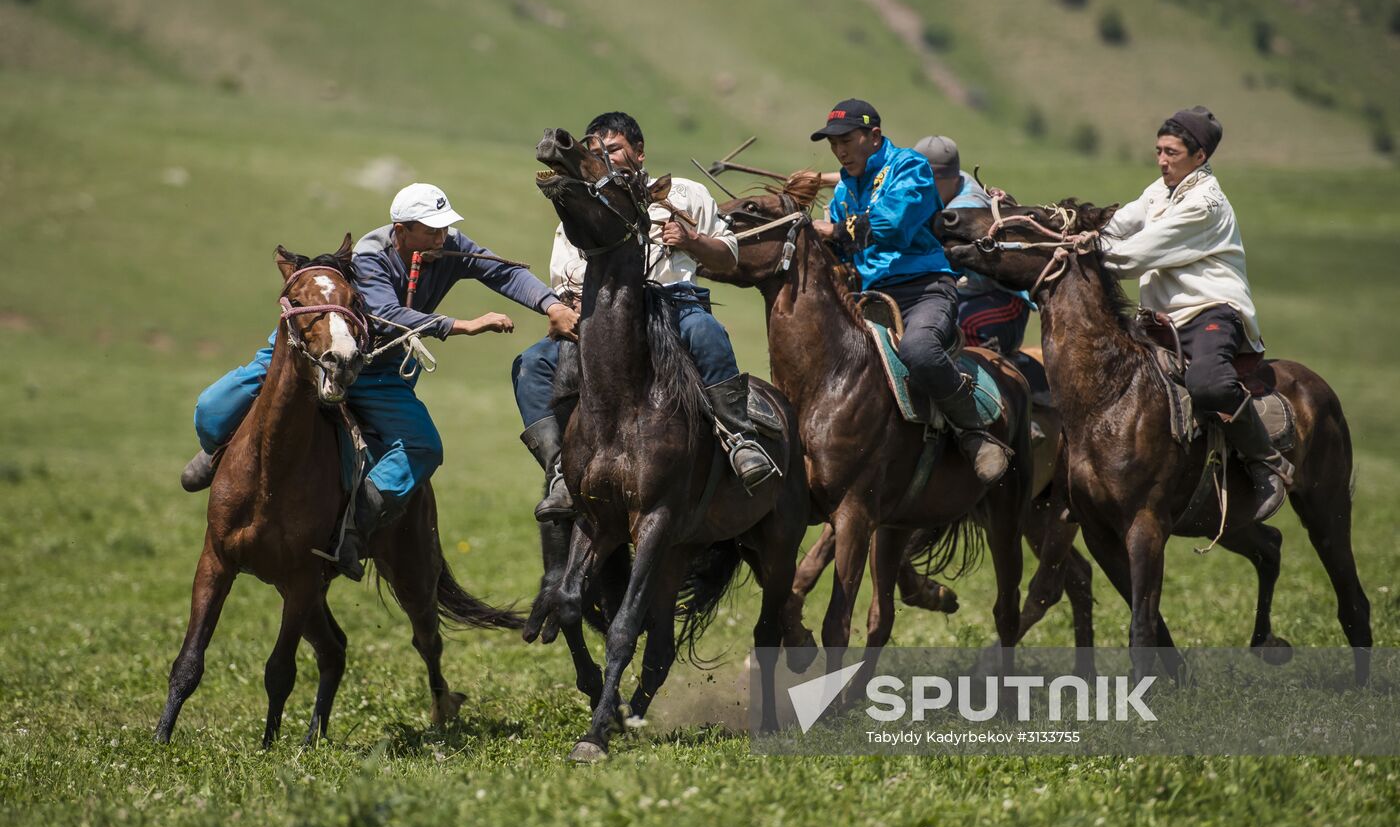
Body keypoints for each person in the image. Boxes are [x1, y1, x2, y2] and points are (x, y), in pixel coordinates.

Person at [181, 182, 578, 579]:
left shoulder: (448, 245)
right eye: (430, 229)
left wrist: (552, 305)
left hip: (377, 370)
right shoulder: (371, 255)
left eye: (443, 227)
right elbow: (386, 312)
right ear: (401, 230)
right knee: (213, 406)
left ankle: (356, 525)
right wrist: (461, 325)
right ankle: (215, 449)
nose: (441, 236)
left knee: (424, 446)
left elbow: (503, 272)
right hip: (309, 352)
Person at [511, 110, 777, 519]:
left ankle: (738, 438)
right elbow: (562, 278)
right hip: (602, 316)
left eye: (614, 148)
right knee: (531, 365)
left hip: (673, 305)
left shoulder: (686, 194)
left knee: (706, 331)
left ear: (639, 152)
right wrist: (564, 309)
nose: (606, 156)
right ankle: (560, 473)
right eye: (596, 149)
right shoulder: (582, 207)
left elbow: (727, 258)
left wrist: (693, 240)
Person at [1100, 106, 1292, 521]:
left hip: (1210, 311)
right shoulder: (1160, 191)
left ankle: (1268, 463)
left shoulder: (1205, 204)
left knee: (1207, 383)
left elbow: (1131, 256)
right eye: (1158, 151)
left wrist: (1083, 252)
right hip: (1159, 319)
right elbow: (1116, 227)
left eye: (1171, 152)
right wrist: (1058, 228)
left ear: (1200, 156)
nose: (1162, 161)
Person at [808, 99, 1010, 484]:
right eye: (833, 143)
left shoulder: (910, 167)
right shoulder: (843, 191)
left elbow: (895, 224)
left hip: (924, 289)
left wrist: (836, 232)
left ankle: (974, 435)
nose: (839, 150)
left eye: (847, 140)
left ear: (874, 136)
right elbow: (838, 247)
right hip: (869, 297)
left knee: (918, 350)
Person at [913, 135, 1034, 356]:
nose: (919, 189)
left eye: (926, 181)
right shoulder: (952, 186)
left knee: (960, 330)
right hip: (959, 294)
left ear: (948, 178)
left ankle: (999, 384)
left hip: (999, 297)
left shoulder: (965, 209)